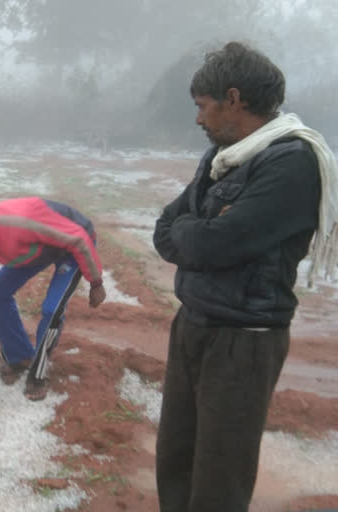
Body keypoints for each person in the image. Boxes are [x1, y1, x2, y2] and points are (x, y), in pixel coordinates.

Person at [153, 41, 338, 512]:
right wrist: (202, 230)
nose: (198, 119)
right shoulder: (224, 155)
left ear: (232, 99)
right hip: (193, 322)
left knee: (219, 479)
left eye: (202, 106)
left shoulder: (291, 162)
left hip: (244, 340)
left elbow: (216, 243)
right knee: (175, 461)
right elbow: (165, 231)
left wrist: (198, 231)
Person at [0, 196, 107, 400]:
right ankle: (20, 357)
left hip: (74, 244)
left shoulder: (16, 222)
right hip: (37, 249)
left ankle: (39, 373)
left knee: (52, 309)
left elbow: (77, 238)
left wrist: (96, 283)